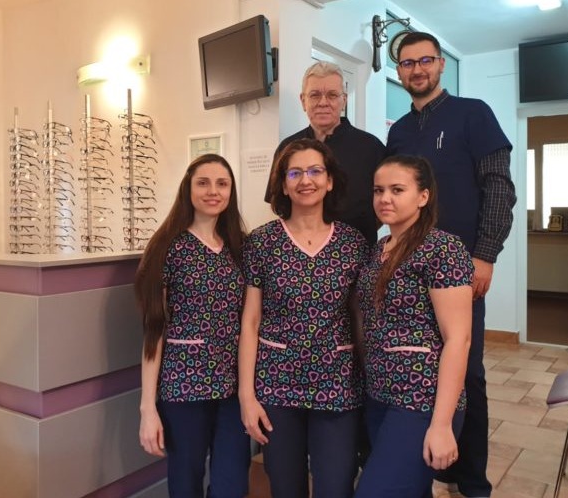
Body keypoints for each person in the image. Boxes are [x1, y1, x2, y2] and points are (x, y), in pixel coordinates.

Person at [385, 32, 516, 497]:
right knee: (419, 367)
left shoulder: (473, 113)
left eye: (425, 60)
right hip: (407, 271)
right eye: (407, 63)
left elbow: (499, 187)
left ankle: (471, 479)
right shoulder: (399, 132)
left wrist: (485, 254)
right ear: (399, 72)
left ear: (441, 64)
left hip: (461, 271)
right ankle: (436, 462)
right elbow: (393, 197)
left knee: (468, 373)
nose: (417, 69)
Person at [240, 138, 366, 498]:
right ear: (283, 185)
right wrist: (247, 396)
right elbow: (250, 322)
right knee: (285, 487)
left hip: (338, 384)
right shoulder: (262, 242)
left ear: (330, 180)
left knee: (336, 485)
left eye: (315, 171)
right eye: (294, 173)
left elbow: (360, 319)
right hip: (276, 385)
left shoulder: (353, 244)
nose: (305, 180)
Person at [354, 155, 473, 497]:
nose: (384, 198)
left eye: (397, 190)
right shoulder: (378, 249)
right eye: (378, 190)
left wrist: (441, 424)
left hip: (421, 399)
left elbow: (459, 339)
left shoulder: (443, 249)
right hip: (379, 393)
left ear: (423, 196)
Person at [135, 154, 250, 498]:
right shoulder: (167, 248)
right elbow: (154, 331)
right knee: (185, 481)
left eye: (222, 183)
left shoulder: (240, 247)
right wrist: (147, 407)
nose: (213, 191)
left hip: (234, 389)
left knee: (232, 483)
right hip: (184, 387)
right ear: (188, 188)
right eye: (203, 183)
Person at [265, 61, 386, 244]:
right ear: (303, 101)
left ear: (344, 100)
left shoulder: (371, 148)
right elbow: (279, 202)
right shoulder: (287, 148)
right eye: (314, 95)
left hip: (358, 252)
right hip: (299, 251)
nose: (323, 103)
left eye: (332, 95)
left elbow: (386, 204)